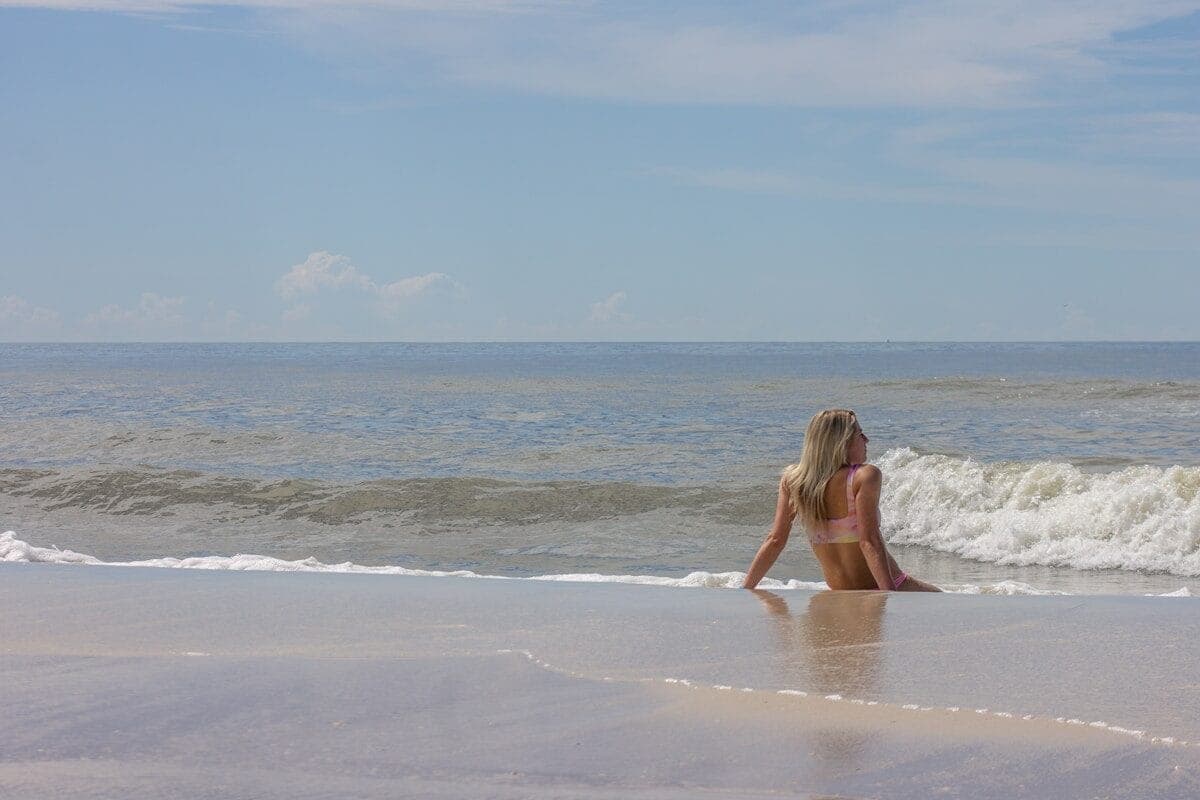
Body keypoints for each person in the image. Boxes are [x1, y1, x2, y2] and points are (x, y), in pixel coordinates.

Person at [743, 409, 940, 592]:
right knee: (944, 606)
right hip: (886, 587)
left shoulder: (794, 480)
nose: (867, 440)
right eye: (860, 435)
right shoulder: (864, 476)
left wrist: (746, 590)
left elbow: (775, 540)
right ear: (841, 443)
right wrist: (889, 596)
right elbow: (868, 541)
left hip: (839, 596)